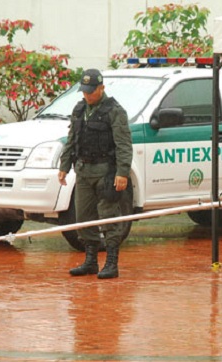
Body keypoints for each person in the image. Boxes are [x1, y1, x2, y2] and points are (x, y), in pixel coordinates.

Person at [58, 68, 133, 278]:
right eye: (85, 91)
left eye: (91, 91)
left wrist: (122, 173)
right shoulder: (80, 109)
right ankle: (90, 261)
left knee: (108, 217)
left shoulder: (114, 111)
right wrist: (64, 166)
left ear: (101, 88)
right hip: (83, 170)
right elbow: (72, 139)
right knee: (83, 217)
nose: (87, 95)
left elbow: (124, 144)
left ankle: (111, 263)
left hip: (105, 172)